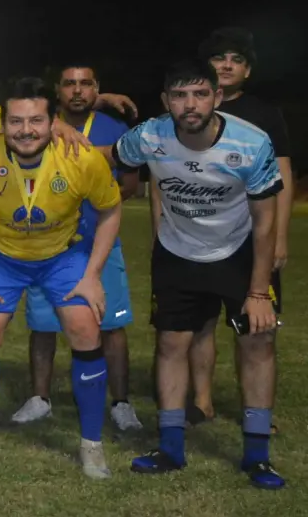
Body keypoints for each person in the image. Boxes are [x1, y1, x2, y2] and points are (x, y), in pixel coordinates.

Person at [117, 60, 285, 490]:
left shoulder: (251, 143)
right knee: (172, 343)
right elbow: (109, 156)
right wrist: (61, 133)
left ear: (217, 96)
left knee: (257, 342)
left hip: (239, 252)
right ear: (165, 102)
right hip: (177, 253)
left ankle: (257, 456)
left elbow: (265, 223)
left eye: (198, 94)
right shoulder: (150, 136)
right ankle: (171, 447)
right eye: (178, 95)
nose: (189, 104)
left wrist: (258, 291)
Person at [0, 77, 122, 479]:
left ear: (52, 122)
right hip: (0, 256)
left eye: (37, 121)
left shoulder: (81, 157)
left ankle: (91, 446)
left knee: (84, 327)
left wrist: (93, 274)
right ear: (2, 121)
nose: (26, 130)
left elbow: (111, 211)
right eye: (16, 121)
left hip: (62, 255)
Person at [13, 64, 143, 431]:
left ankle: (120, 402)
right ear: (58, 90)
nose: (77, 90)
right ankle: (39, 398)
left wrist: (89, 194)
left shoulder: (114, 128)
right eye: (69, 84)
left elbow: (130, 185)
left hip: (99, 242)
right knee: (43, 325)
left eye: (86, 84)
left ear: (96, 88)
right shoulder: (37, 123)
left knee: (111, 325)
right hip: (47, 244)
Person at [175, 28, 295, 427]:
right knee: (200, 326)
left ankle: (256, 413)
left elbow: (283, 174)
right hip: (198, 241)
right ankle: (202, 403)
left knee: (255, 330)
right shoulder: (190, 108)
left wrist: (279, 237)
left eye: (237, 59)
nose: (227, 65)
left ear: (247, 70)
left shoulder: (264, 114)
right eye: (219, 58)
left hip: (251, 242)